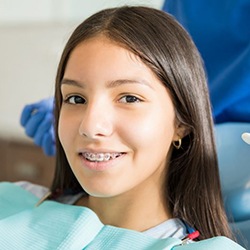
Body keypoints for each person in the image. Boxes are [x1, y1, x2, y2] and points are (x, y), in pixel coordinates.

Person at [5, 6, 245, 249]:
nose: (90, 126)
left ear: (181, 123)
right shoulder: (11, 202)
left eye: (129, 98)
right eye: (76, 98)